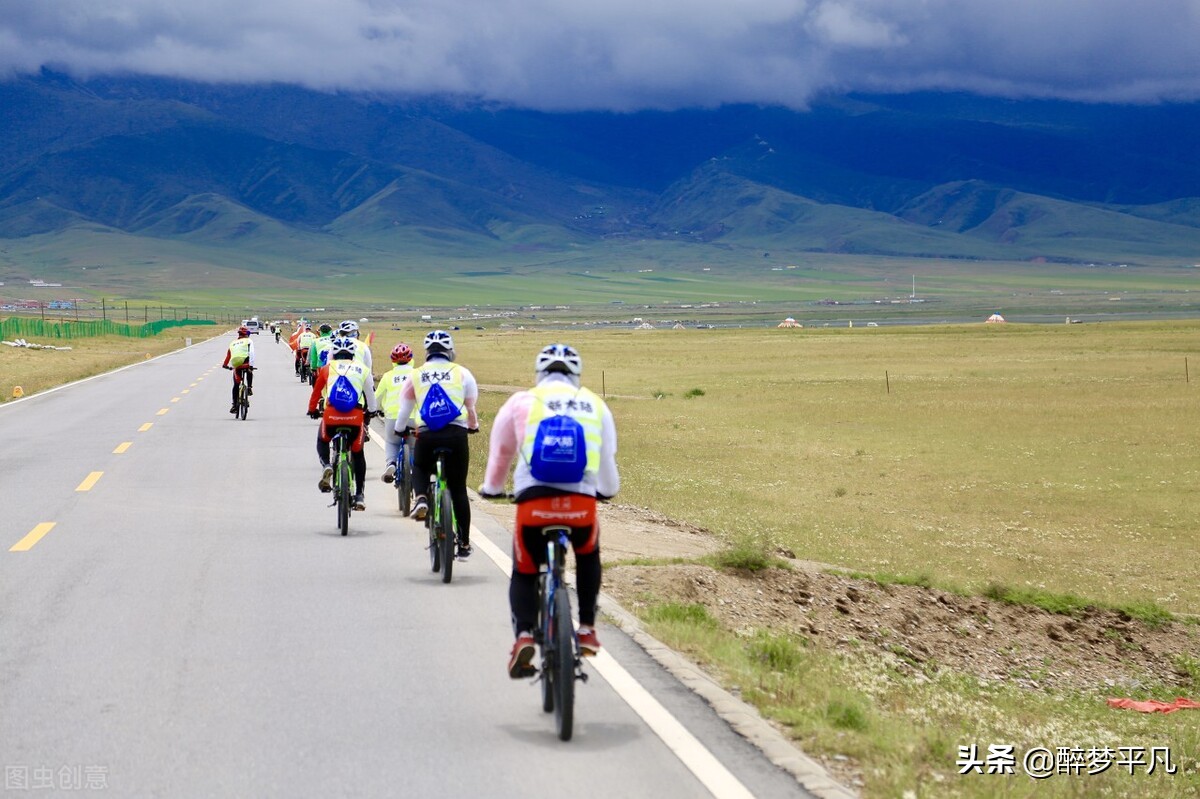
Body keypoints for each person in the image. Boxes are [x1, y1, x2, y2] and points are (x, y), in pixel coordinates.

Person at [478, 344, 619, 678]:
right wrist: (606, 492)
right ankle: (585, 628)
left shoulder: (520, 402)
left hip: (534, 505)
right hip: (581, 506)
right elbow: (607, 462)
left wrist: (492, 489)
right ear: (576, 373)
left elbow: (500, 454)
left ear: (539, 373)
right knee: (587, 554)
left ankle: (524, 635)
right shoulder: (594, 404)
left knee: (526, 569)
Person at [393, 330, 479, 558]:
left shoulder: (416, 374)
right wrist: (473, 425)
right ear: (450, 351)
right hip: (456, 435)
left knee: (420, 467)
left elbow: (404, 409)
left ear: (427, 352)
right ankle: (464, 542)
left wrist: (399, 429)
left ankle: (420, 497)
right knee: (458, 488)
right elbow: (471, 406)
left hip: (427, 435)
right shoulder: (462, 373)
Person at [308, 337, 379, 511]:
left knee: (323, 440)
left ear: (334, 354)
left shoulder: (327, 368)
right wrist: (371, 411)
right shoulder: (362, 369)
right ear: (353, 353)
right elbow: (370, 395)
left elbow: (316, 393)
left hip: (332, 416)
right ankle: (360, 495)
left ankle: (326, 465)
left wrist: (312, 410)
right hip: (355, 417)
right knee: (358, 454)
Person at [376, 342, 416, 484]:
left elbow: (377, 398)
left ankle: (391, 464)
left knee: (391, 443)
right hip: (413, 418)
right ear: (411, 359)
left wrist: (377, 410)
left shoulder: (387, 376)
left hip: (392, 418)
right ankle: (412, 470)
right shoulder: (417, 375)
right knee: (413, 446)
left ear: (393, 360)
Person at [221, 326, 256, 414]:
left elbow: (228, 356)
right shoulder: (249, 341)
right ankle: (249, 387)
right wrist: (251, 365)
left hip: (235, 364)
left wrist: (225, 365)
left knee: (236, 385)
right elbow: (251, 353)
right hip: (245, 363)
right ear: (247, 334)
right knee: (249, 370)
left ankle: (234, 405)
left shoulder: (232, 343)